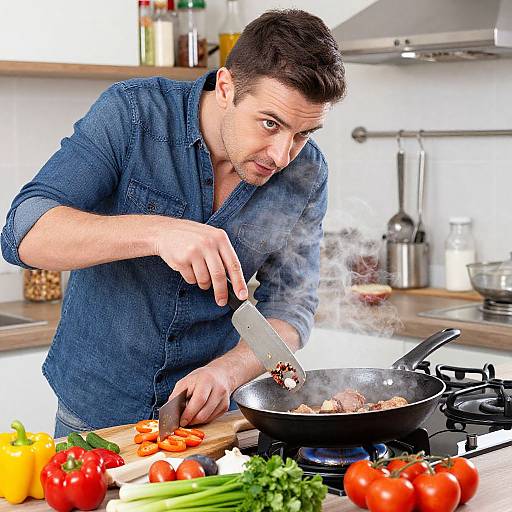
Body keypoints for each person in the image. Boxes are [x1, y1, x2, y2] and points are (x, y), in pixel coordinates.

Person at [1, 9, 346, 437]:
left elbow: (291, 309)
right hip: (93, 412)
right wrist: (158, 232)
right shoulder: (133, 114)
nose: (281, 155)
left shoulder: (306, 174)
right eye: (270, 124)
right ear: (226, 88)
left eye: (303, 134)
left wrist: (227, 372)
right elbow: (22, 231)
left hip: (209, 420)